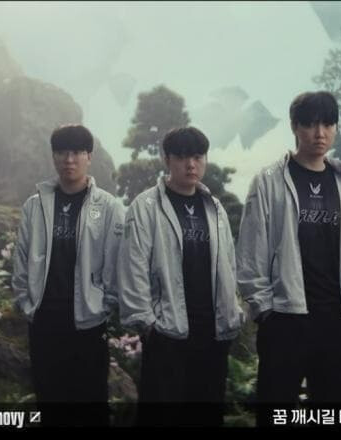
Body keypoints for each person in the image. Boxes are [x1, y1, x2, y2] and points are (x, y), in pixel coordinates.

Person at [236, 91, 341, 426]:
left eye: (328, 124)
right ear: (295, 127)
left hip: (339, 319)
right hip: (286, 317)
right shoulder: (269, 180)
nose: (319, 133)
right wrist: (264, 309)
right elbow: (251, 249)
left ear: (336, 128)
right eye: (310, 124)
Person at [118, 126, 244, 426]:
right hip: (167, 332)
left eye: (198, 157)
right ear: (167, 160)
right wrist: (147, 324)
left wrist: (233, 311)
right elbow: (133, 267)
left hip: (212, 331)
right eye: (182, 157)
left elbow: (228, 263)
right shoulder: (146, 207)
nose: (191, 164)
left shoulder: (214, 208)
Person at [12, 124, 125, 426]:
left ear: (89, 157)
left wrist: (104, 305)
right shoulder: (35, 206)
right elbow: (21, 259)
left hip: (88, 321)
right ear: (53, 156)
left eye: (76, 152)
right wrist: (26, 302)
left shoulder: (109, 207)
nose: (69, 159)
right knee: (49, 399)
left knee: (91, 402)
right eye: (62, 152)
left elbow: (116, 264)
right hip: (44, 320)